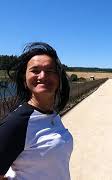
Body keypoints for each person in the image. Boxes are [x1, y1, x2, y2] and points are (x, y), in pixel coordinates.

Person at [0, 42, 73, 180]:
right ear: (24, 79)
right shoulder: (17, 122)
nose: (42, 76)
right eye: (35, 70)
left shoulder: (52, 115)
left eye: (50, 71)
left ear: (58, 78)